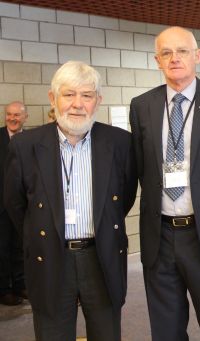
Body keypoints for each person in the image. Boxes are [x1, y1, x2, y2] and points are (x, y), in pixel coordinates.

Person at [4, 61, 137, 340]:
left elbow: (122, 200)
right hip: (51, 256)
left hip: (100, 258)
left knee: (106, 333)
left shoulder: (120, 143)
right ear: (53, 98)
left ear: (98, 101)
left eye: (87, 95)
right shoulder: (25, 145)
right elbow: (16, 206)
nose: (78, 104)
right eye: (69, 94)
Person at [129, 26, 200, 341]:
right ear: (157, 60)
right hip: (160, 237)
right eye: (166, 53)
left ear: (197, 56)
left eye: (181, 51)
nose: (174, 58)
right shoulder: (142, 106)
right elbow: (142, 168)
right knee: (165, 331)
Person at [0, 101, 28, 306]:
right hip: (1, 206)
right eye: (9, 114)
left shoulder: (30, 140)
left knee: (21, 246)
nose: (12, 118)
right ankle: (4, 289)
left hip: (22, 205)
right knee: (2, 248)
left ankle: (20, 285)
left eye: (17, 115)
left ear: (24, 117)